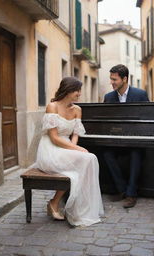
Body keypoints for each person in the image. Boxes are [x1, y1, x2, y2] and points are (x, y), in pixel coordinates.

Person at [33, 77, 104, 227]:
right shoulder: (52, 107)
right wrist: (77, 150)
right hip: (51, 148)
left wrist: (75, 150)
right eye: (77, 91)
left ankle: (78, 208)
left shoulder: (77, 110)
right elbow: (53, 138)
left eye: (79, 91)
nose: (79, 94)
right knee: (86, 160)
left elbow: (75, 134)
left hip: (66, 146)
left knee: (88, 159)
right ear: (68, 90)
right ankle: (55, 203)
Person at [103, 64, 149, 208]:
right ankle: (122, 189)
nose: (112, 82)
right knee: (106, 154)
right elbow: (105, 120)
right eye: (111, 79)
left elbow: (148, 117)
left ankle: (131, 194)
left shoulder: (140, 94)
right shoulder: (108, 97)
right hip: (116, 141)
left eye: (114, 79)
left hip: (135, 140)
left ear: (124, 79)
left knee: (136, 153)